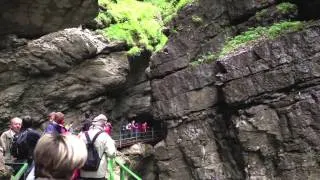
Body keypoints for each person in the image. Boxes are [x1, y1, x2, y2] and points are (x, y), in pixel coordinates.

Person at [80, 114, 116, 180]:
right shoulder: (105, 136)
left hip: (83, 172)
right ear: (104, 125)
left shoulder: (82, 135)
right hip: (98, 173)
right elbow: (111, 154)